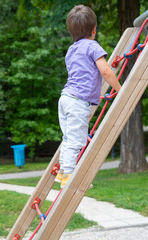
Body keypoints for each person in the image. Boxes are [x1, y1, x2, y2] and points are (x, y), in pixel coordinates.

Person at [55, 5, 122, 188]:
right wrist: (119, 89)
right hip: (78, 102)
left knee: (68, 138)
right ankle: (69, 176)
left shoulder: (71, 50)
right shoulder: (93, 46)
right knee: (76, 140)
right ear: (94, 30)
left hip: (66, 98)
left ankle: (62, 172)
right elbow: (106, 72)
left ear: (71, 32)